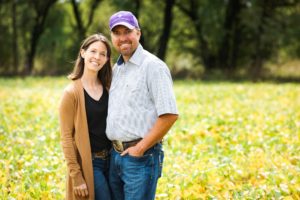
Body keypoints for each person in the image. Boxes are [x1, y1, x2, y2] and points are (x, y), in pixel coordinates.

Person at [106, 11, 179, 200]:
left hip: (140, 157)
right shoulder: (117, 69)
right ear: (112, 37)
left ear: (138, 33)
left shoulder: (153, 66)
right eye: (117, 33)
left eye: (127, 31)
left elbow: (169, 114)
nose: (122, 38)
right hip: (115, 157)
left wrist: (140, 149)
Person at [59, 33, 112, 200]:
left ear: (107, 59)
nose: (97, 57)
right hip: (90, 163)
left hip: (112, 161)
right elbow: (66, 138)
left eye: (103, 54)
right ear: (83, 53)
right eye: (93, 51)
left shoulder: (109, 88)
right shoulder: (71, 93)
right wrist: (76, 176)